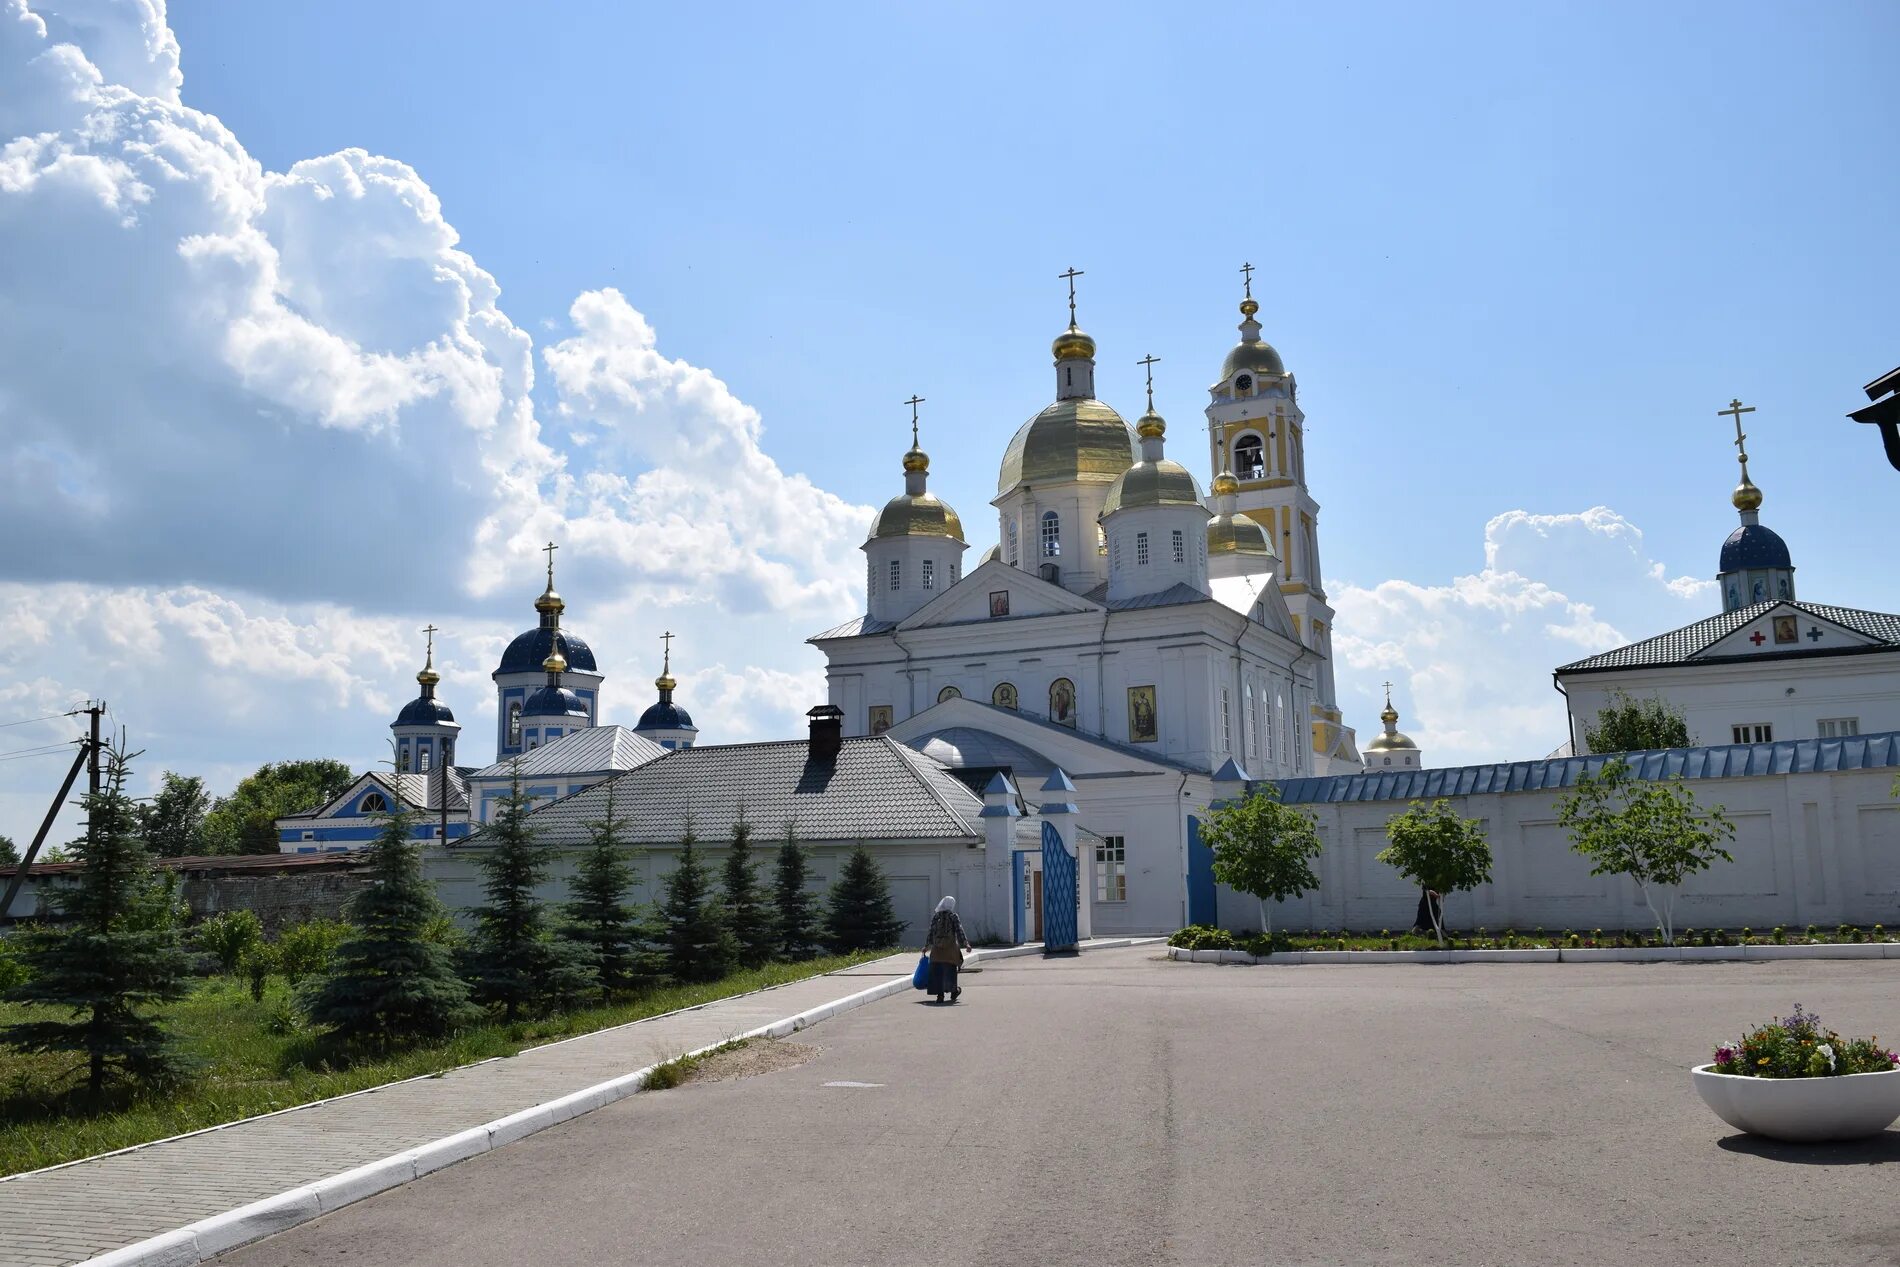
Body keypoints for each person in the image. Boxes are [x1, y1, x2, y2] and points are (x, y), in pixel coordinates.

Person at [925, 895, 972, 1004]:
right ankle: (953, 991)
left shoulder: (936, 917)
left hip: (937, 950)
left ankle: (940, 996)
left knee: (937, 972)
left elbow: (931, 932)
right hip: (950, 949)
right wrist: (966, 944)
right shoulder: (953, 916)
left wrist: (926, 946)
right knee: (950, 970)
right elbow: (959, 930)